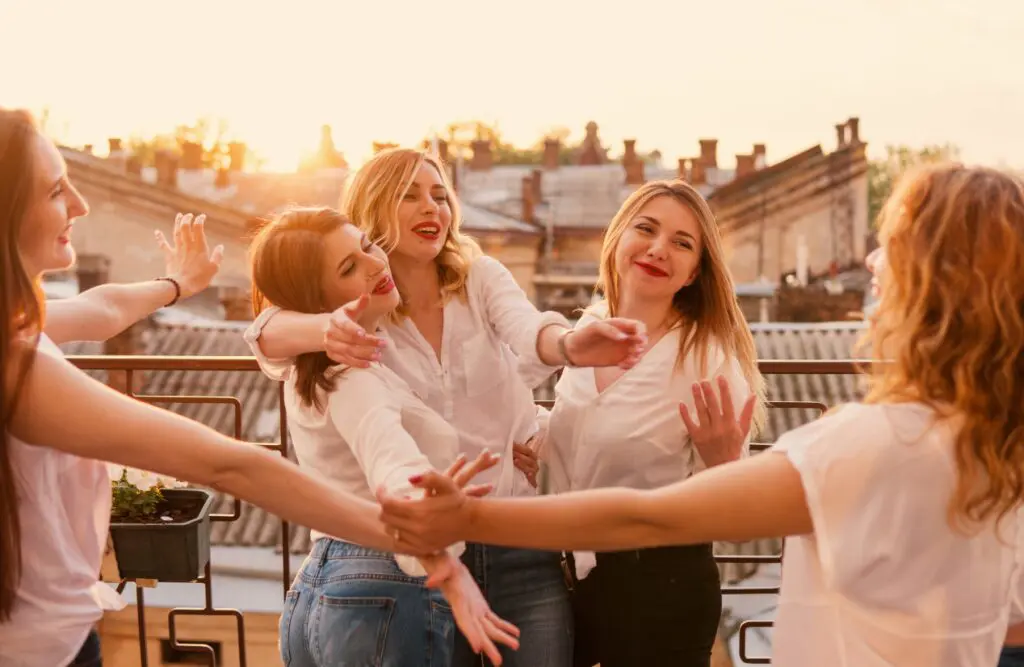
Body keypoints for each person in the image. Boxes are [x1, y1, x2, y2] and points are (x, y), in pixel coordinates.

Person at [380, 163, 1024, 667]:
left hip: (656, 581)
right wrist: (545, 443)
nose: (869, 263)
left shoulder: (866, 440)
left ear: (932, 284)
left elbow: (650, 516)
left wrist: (468, 516)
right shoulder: (994, 444)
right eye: (646, 230)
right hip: (577, 576)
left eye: (890, 249)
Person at [0, 108, 517, 667]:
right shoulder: (18, 369)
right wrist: (430, 552)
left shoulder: (18, 322)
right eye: (56, 190)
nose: (79, 204)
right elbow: (233, 465)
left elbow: (101, 309)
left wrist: (177, 283)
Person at [243, 147, 645, 667]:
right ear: (372, 208)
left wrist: (570, 346)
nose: (431, 208)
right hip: (413, 558)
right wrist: (326, 328)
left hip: (514, 536)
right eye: (409, 195)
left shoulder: (478, 279)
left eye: (440, 195)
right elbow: (265, 335)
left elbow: (529, 331)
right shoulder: (354, 328)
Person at [248, 207, 519, 666]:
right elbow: (396, 473)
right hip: (383, 586)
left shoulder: (310, 369)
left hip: (318, 585)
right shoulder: (355, 380)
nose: (376, 265)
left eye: (367, 247)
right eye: (349, 268)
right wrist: (448, 571)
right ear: (318, 299)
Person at [533, 179, 764, 667]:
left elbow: (742, 521)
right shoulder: (585, 332)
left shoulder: (703, 358)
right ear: (617, 237)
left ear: (693, 272)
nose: (659, 249)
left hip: (660, 592)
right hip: (571, 584)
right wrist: (537, 452)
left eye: (682, 243)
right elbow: (586, 452)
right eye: (647, 229)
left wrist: (726, 464)